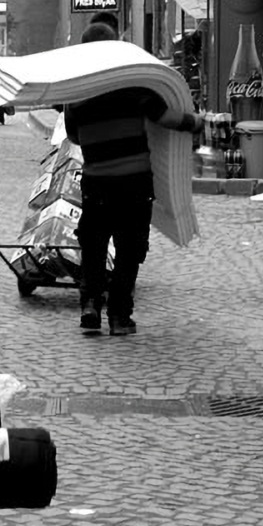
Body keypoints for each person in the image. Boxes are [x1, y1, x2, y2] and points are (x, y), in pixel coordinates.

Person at [63, 22, 206, 336]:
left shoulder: (76, 92)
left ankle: (90, 306)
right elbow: (164, 117)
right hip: (134, 181)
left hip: (96, 182)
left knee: (94, 246)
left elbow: (73, 136)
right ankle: (119, 316)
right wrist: (195, 122)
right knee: (129, 249)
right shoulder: (134, 85)